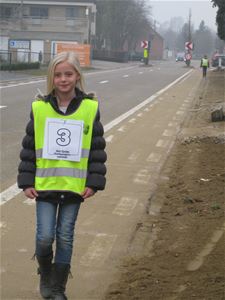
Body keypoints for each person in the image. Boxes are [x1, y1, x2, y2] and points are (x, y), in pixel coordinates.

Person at [17, 51, 107, 299]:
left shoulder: (90, 108)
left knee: (65, 237)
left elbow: (97, 149)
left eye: (68, 74)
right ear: (51, 77)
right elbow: (29, 147)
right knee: (45, 238)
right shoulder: (39, 107)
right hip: (44, 185)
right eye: (58, 75)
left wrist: (94, 182)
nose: (63, 79)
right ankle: (46, 272)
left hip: (74, 187)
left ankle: (58, 289)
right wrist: (26, 181)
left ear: (77, 76)